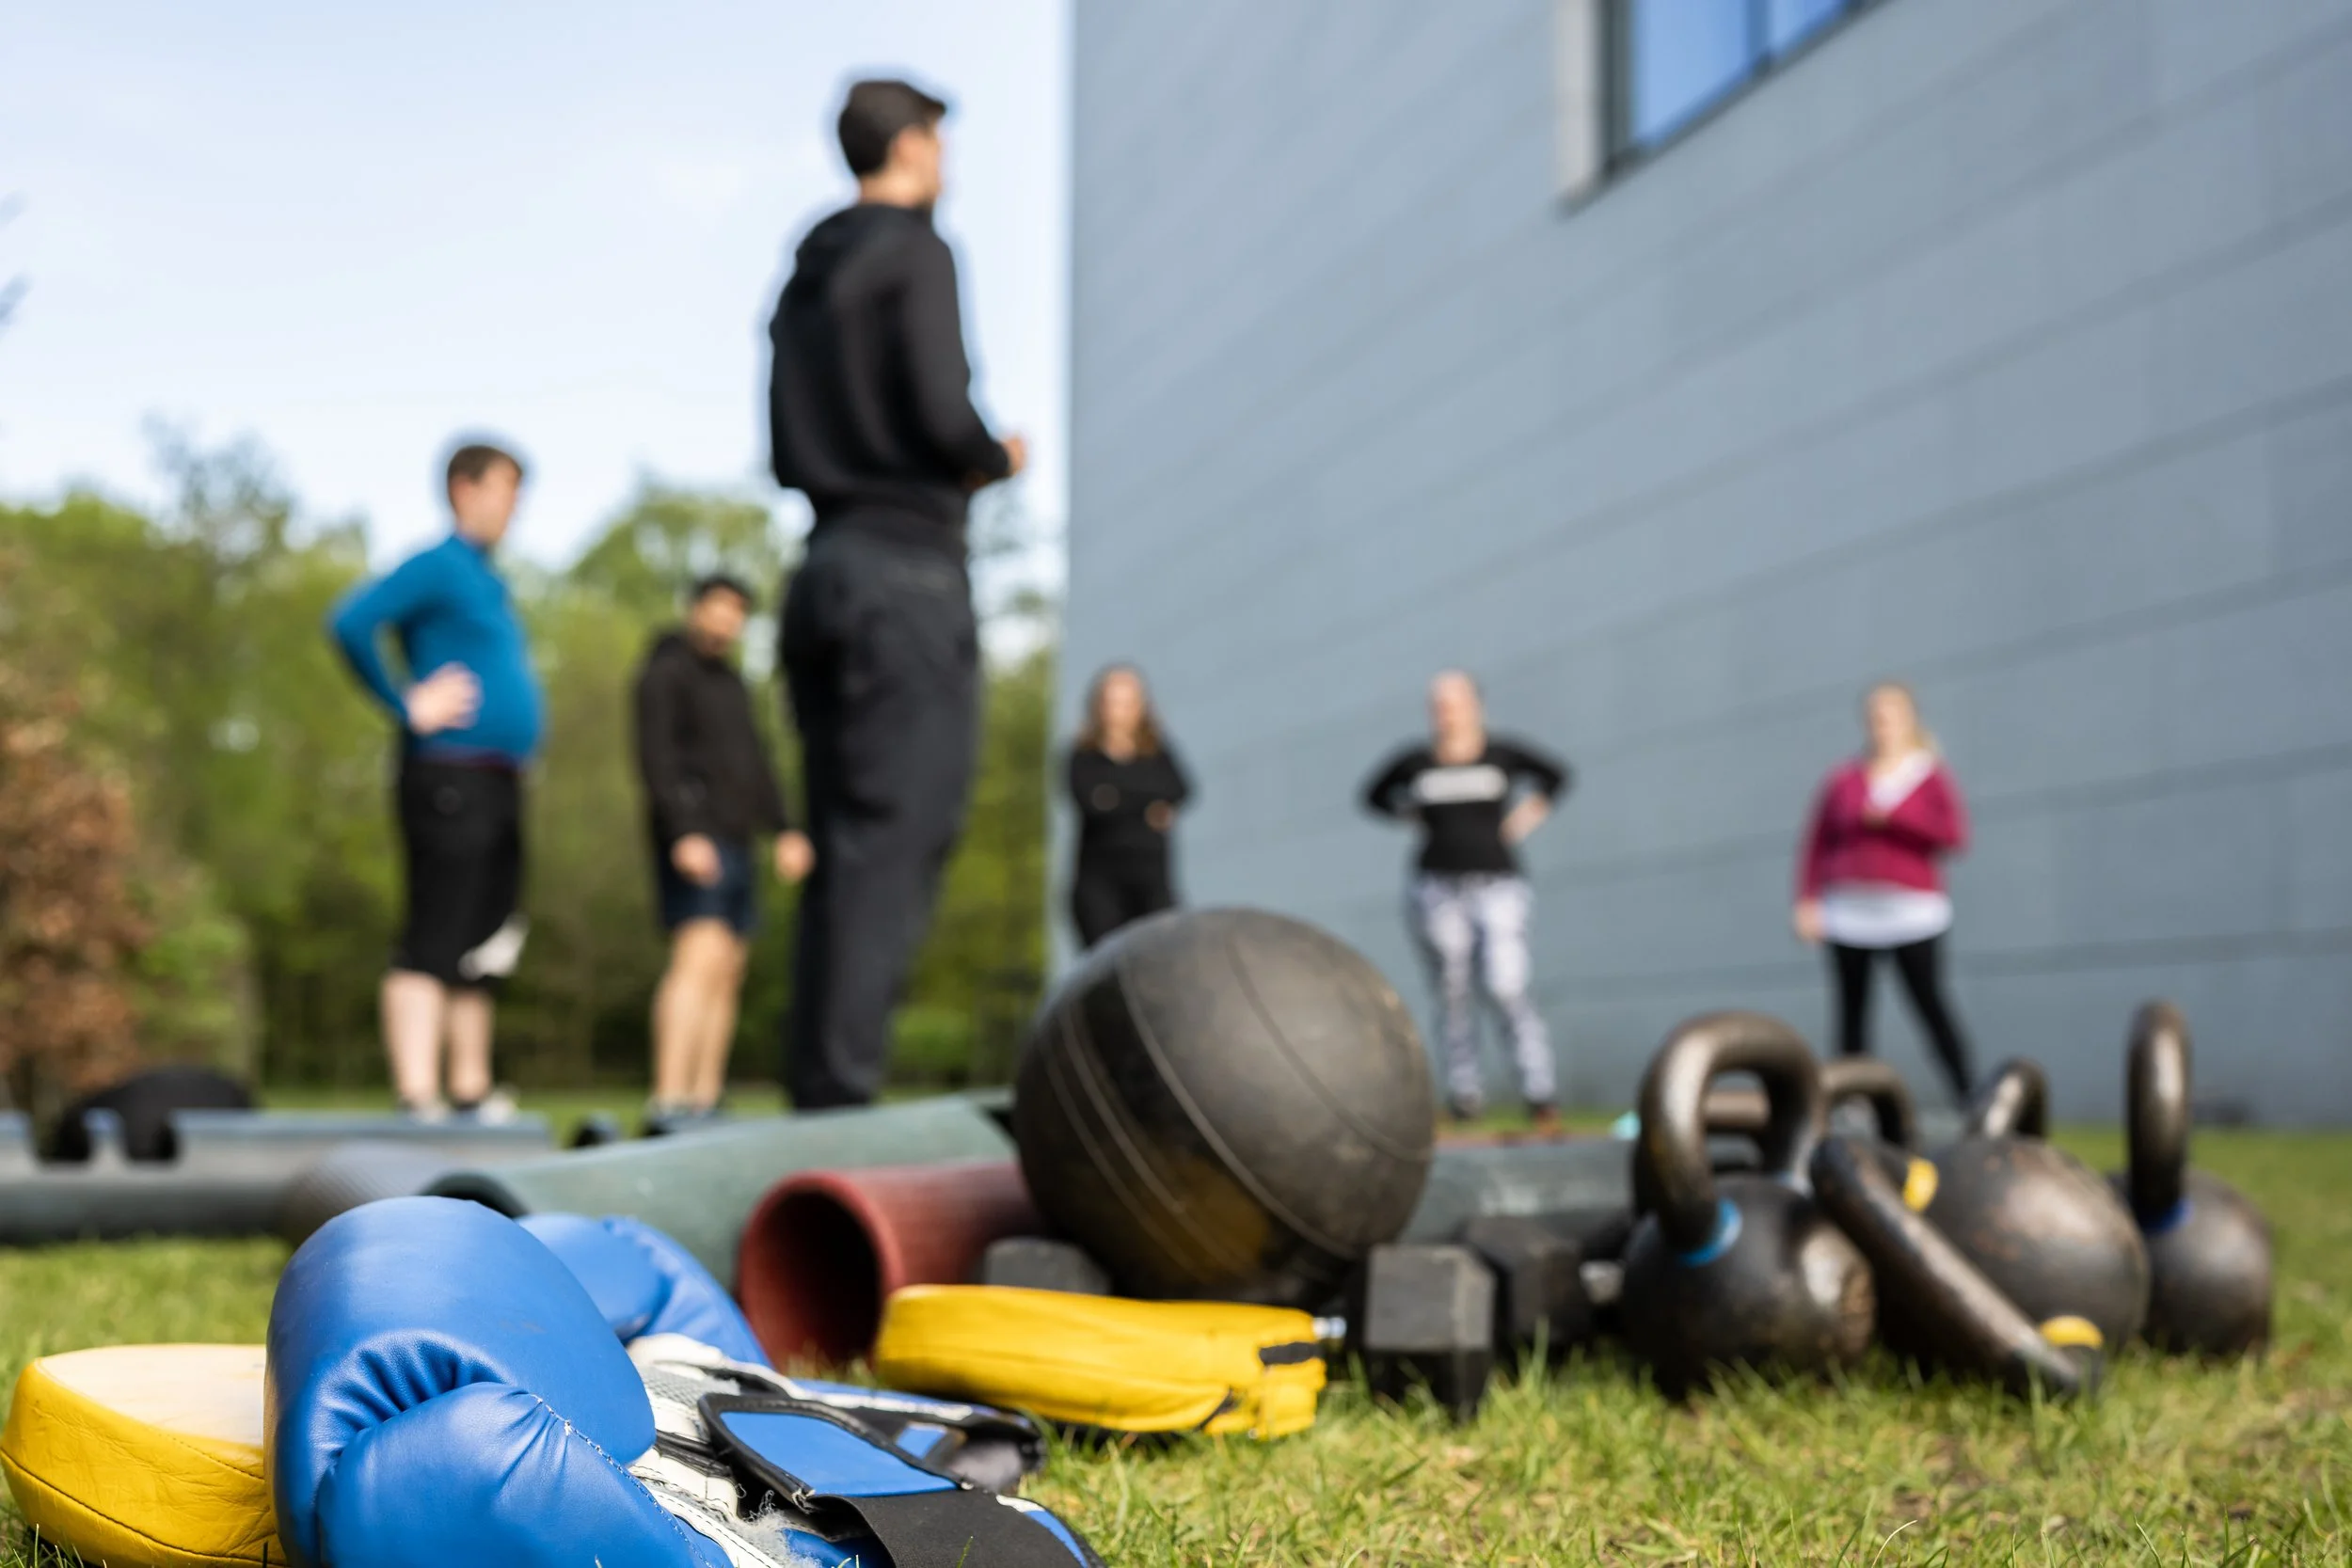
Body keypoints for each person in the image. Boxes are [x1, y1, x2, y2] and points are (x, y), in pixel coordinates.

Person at [767, 77, 1026, 1110]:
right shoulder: (919, 249)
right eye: (942, 143)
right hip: (905, 576)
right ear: (915, 147)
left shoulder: (800, 277)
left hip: (822, 568)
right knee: (901, 833)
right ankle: (838, 1106)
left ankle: (814, 1095)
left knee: (842, 846)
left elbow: (786, 441)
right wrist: (989, 453)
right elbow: (937, 404)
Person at [328, 441, 540, 1119]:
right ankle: (418, 1093)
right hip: (447, 776)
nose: (514, 506)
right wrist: (404, 702)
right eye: (505, 488)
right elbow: (352, 622)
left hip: (500, 778)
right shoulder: (437, 565)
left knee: (484, 938)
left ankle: (470, 1088)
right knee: (436, 927)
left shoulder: (487, 578)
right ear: (463, 489)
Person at [633, 575, 815, 1128]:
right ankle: (667, 1099)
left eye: (737, 611)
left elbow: (756, 764)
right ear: (695, 609)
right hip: (695, 839)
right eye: (718, 607)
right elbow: (655, 760)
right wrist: (683, 831)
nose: (727, 619)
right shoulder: (664, 674)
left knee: (729, 967)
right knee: (698, 957)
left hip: (739, 842)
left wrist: (784, 827)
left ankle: (704, 1099)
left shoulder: (732, 684)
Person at [1362, 672, 1571, 1130]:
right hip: (1437, 886)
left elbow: (1557, 777)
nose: (1445, 711)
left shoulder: (1501, 755)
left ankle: (1540, 1091)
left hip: (1497, 883)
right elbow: (1372, 796)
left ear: (1475, 705)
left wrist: (1519, 822)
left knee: (1505, 984)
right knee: (1453, 991)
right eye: (1438, 703)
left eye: (1454, 702)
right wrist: (1412, 818)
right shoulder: (1417, 761)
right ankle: (1465, 1094)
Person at [1793, 680, 1976, 1103]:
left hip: (1911, 912)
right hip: (1849, 913)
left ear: (1908, 718)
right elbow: (1815, 843)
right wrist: (1807, 900)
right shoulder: (1844, 779)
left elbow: (1953, 837)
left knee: (1930, 1007)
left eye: (1890, 714)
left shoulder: (1928, 775)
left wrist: (1894, 819)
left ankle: (1969, 1096)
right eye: (1874, 715)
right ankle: (1851, 1106)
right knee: (1851, 1016)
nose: (1881, 723)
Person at [1065, 665, 1190, 948]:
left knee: (1163, 957)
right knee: (1109, 966)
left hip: (1152, 882)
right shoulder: (1083, 756)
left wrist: (1115, 796)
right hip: (1100, 885)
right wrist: (1148, 805)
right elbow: (1091, 803)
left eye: (1125, 702)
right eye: (1111, 702)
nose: (1117, 711)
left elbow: (1180, 790)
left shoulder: (1158, 752)